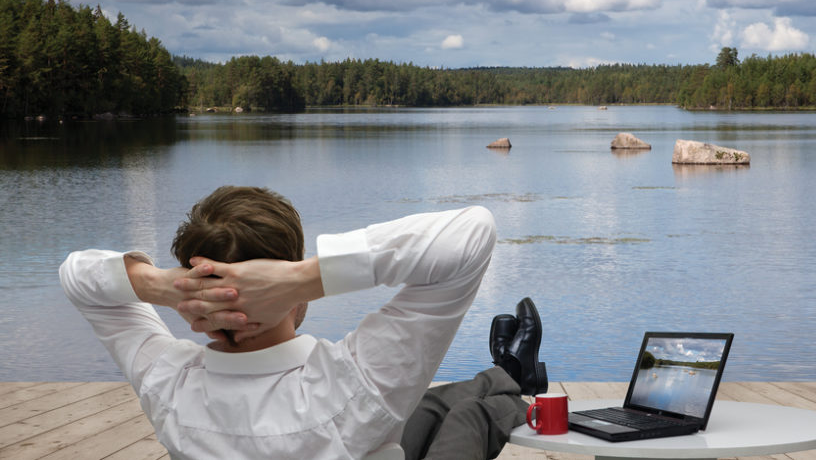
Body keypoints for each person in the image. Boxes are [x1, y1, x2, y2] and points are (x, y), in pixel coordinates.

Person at [60, 186, 547, 459]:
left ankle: (504, 370)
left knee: (432, 404)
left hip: (358, 430)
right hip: (367, 423)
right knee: (470, 415)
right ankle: (510, 379)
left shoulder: (165, 380)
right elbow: (473, 232)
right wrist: (304, 279)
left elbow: (77, 276)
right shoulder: (350, 383)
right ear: (283, 276)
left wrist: (165, 288)